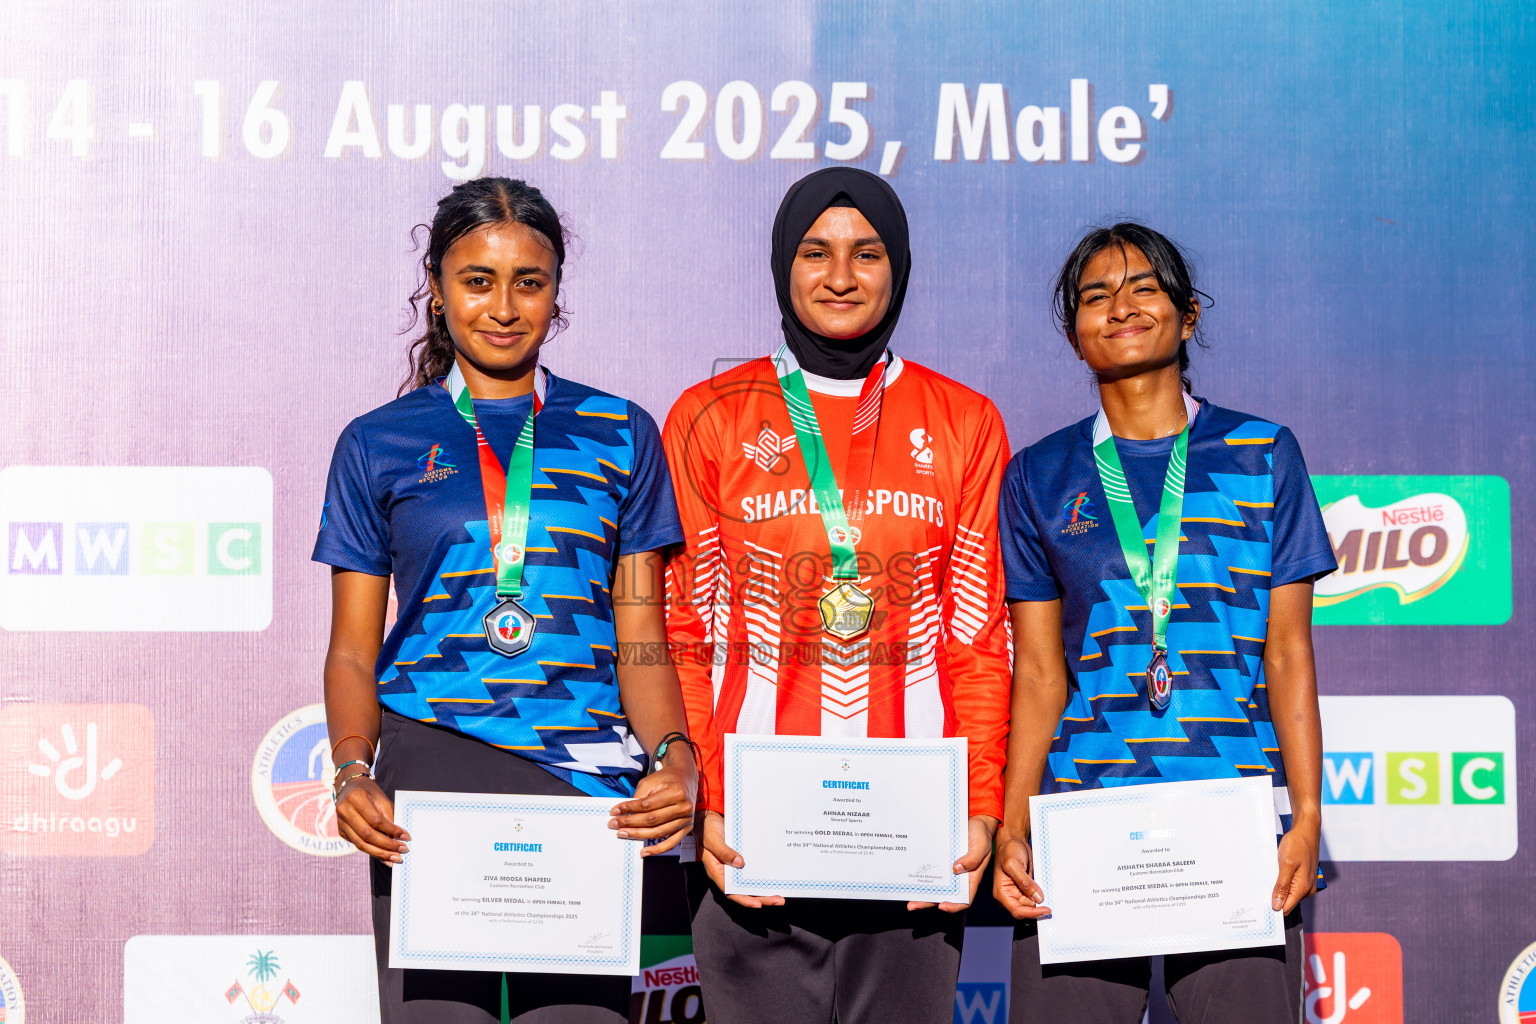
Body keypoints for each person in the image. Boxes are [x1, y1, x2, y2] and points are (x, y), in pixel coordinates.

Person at [313, 176, 697, 1024]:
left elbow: (640, 628)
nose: (504, 305)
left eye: (530, 280)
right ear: (438, 289)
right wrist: (349, 769)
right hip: (431, 773)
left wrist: (674, 748)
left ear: (557, 292)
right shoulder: (380, 441)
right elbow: (351, 648)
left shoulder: (621, 432)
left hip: (586, 780)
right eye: (477, 280)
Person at [661, 167, 1013, 1024]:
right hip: (751, 837)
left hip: (913, 847)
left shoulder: (964, 419)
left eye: (867, 253)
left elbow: (977, 640)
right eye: (816, 253)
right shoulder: (711, 414)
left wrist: (980, 806)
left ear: (901, 270)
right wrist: (703, 797)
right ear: (783, 265)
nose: (842, 276)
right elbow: (685, 630)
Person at [993, 222, 1336, 1023]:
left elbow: (1287, 655)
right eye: (1094, 296)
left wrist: (1308, 816)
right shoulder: (1040, 474)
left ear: (1188, 317)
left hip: (1233, 825)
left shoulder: (1263, 453)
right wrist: (1014, 827)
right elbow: (1039, 674)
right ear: (1075, 335)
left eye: (1143, 287)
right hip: (1080, 823)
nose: (1119, 307)